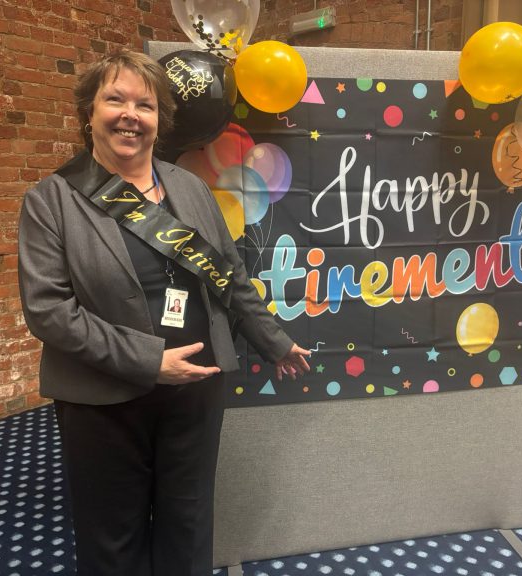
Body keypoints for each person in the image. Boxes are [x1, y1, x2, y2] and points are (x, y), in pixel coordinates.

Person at [17, 50, 311, 576]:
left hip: (195, 390)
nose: (131, 114)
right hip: (100, 400)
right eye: (115, 99)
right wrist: (151, 361)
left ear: (160, 121)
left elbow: (228, 277)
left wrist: (272, 339)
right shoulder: (50, 200)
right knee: (112, 534)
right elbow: (49, 312)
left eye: (145, 105)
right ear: (90, 112)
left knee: (189, 521)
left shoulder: (191, 188)